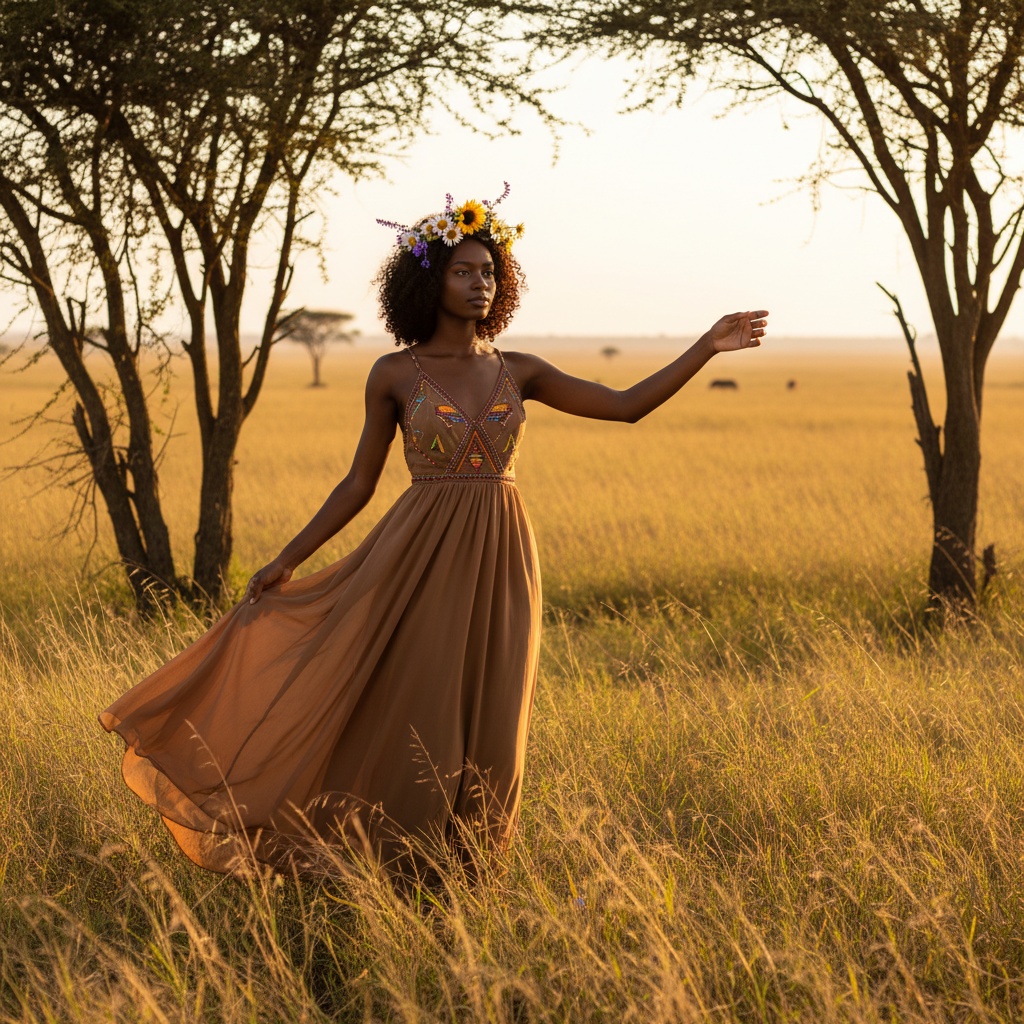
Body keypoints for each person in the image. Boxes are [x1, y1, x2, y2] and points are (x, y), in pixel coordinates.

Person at [99, 185, 767, 877]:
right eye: (463, 271)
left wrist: (706, 347)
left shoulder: (520, 370)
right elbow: (358, 484)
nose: (481, 284)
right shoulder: (394, 373)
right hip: (416, 556)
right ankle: (386, 864)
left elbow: (625, 407)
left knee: (497, 721)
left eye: (489, 273)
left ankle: (473, 876)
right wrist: (288, 558)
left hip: (505, 556)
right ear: (430, 280)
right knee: (420, 715)